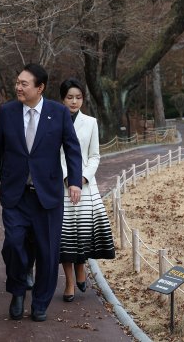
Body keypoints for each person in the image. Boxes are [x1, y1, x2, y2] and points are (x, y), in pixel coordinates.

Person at [0, 63, 83, 323]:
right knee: (14, 244)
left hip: (47, 196)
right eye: (17, 82)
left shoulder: (58, 113)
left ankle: (40, 302)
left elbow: (72, 149)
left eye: (24, 84)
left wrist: (74, 181)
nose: (18, 87)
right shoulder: (7, 112)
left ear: (40, 88)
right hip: (15, 194)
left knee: (47, 252)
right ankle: (18, 291)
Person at [57, 78, 116, 302]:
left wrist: (82, 177)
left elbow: (94, 155)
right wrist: (67, 177)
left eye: (78, 97)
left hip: (85, 185)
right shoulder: (54, 121)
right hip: (60, 185)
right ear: (62, 98)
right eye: (69, 97)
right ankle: (69, 282)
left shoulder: (91, 122)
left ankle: (82, 269)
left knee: (81, 231)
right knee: (65, 237)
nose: (74, 101)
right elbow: (55, 154)